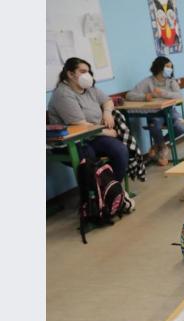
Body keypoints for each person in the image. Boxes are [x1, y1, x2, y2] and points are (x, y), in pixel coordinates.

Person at [48, 57, 133, 209]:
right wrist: (105, 132)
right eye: (82, 71)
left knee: (120, 149)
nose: (87, 75)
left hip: (93, 136)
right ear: (70, 74)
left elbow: (107, 101)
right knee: (89, 158)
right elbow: (79, 124)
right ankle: (96, 200)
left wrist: (107, 113)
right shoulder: (62, 94)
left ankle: (113, 190)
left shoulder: (90, 89)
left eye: (88, 71)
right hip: (71, 142)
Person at [126, 56, 184, 166]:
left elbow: (179, 95)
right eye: (167, 66)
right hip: (154, 112)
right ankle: (162, 148)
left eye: (171, 67)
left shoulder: (171, 81)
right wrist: (145, 96)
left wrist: (163, 93)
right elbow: (129, 95)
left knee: (181, 127)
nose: (170, 69)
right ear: (159, 67)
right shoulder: (148, 81)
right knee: (154, 126)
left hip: (169, 111)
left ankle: (158, 145)